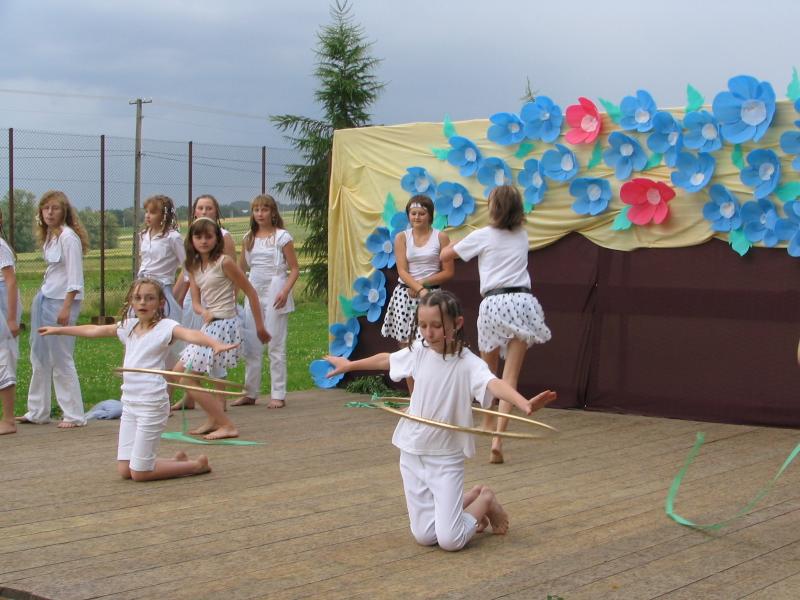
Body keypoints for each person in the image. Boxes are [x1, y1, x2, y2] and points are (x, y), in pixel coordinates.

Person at [325, 290, 557, 551]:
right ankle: (471, 498)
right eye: (423, 325)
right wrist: (349, 365)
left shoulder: (468, 364)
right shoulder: (419, 351)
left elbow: (494, 384)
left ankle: (486, 499)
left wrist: (523, 403)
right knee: (425, 536)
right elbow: (387, 360)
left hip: (445, 457)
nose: (428, 333)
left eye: (436, 326)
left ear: (457, 324)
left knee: (450, 540)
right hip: (412, 451)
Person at [39, 278, 236, 480]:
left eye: (149, 298)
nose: (143, 302)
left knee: (140, 473)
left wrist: (214, 344)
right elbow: (95, 330)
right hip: (130, 403)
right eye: (138, 298)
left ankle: (196, 466)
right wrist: (59, 330)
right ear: (132, 302)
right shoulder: (129, 327)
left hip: (152, 403)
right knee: (125, 470)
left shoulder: (166, 327)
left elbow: (190, 334)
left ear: (160, 303)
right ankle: (176, 462)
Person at [441, 184, 552, 465]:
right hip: (523, 302)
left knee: (487, 371)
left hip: (493, 302)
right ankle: (498, 439)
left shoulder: (482, 235)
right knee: (510, 376)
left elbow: (445, 256)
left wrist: (455, 239)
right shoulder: (522, 235)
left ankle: (488, 421)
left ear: (495, 208)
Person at [176, 217, 269, 439]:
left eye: (208, 236)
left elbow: (251, 292)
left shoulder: (224, 262)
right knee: (182, 373)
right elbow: (196, 302)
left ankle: (226, 424)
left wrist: (259, 327)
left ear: (217, 239)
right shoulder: (193, 266)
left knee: (187, 376)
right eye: (198, 236)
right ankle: (214, 419)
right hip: (210, 325)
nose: (203, 241)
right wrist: (203, 311)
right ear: (191, 240)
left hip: (225, 324)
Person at [19, 191, 89, 428]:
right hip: (45, 298)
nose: (49, 213)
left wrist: (67, 307)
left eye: (55, 208)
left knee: (61, 357)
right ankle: (37, 411)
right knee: (38, 355)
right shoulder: (51, 236)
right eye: (46, 208)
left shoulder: (69, 238)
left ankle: (74, 414)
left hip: (61, 302)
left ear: (64, 211)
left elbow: (75, 278)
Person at [381, 195, 454, 392]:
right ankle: (414, 396)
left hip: (431, 295)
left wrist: (422, 285)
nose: (417, 217)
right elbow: (402, 270)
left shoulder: (441, 237)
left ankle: (432, 392)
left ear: (430, 215)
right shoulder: (402, 238)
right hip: (405, 295)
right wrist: (417, 288)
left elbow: (448, 271)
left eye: (421, 213)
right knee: (406, 346)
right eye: (413, 213)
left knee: (431, 343)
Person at [171, 194, 236, 410]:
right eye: (200, 208)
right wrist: (176, 299)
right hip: (197, 304)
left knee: (212, 354)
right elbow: (187, 276)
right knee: (192, 351)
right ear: (194, 212)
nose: (204, 211)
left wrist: (230, 305)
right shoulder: (192, 241)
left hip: (219, 309)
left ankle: (219, 402)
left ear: (216, 212)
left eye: (209, 208)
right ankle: (191, 398)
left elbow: (234, 276)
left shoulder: (223, 238)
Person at [234, 194, 299, 408]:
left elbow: (294, 269)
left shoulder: (282, 237)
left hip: (275, 290)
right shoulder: (248, 238)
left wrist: (285, 291)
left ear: (272, 212)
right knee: (251, 343)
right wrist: (234, 295)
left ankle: (278, 393)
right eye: (256, 210)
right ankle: (250, 392)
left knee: (275, 343)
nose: (260, 214)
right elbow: (240, 270)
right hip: (254, 290)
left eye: (264, 209)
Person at [137, 194, 185, 369]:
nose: (147, 216)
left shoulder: (172, 237)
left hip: (161, 288)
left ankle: (170, 376)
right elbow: (143, 261)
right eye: (146, 212)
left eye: (152, 212)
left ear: (164, 215)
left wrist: (177, 294)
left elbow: (187, 266)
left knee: (165, 337)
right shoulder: (143, 235)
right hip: (142, 286)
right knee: (141, 333)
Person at [0, 208, 21, 435]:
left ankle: (8, 420)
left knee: (3, 358)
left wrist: (12, 319)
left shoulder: (0, 246)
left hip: (3, 307)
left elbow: (10, 281)